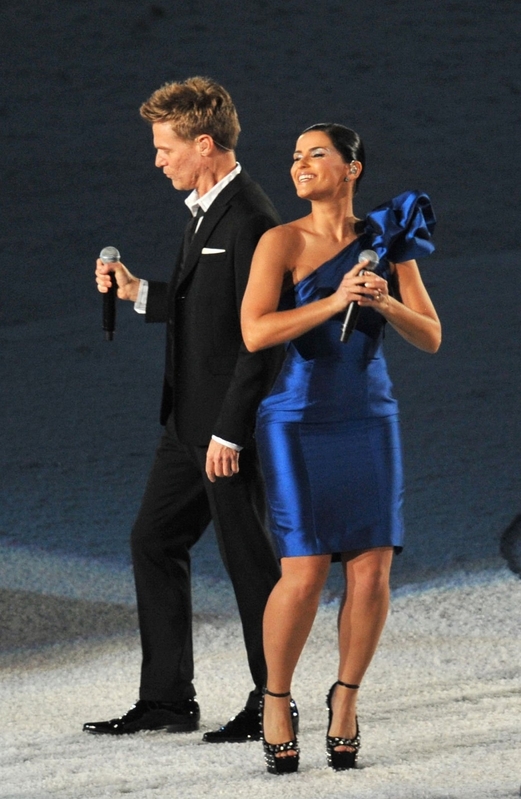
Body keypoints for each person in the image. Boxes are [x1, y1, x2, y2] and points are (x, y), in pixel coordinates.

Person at [83, 76, 287, 743]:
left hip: (224, 428)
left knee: (249, 561)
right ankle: (168, 698)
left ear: (205, 145)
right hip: (186, 426)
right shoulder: (205, 209)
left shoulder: (252, 219)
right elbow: (207, 309)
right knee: (153, 539)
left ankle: (271, 701)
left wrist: (231, 429)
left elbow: (260, 339)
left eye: (165, 146)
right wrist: (140, 289)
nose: (156, 159)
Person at [240, 123, 441, 774]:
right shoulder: (281, 240)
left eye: (315, 154)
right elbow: (254, 332)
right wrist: (331, 301)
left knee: (371, 569)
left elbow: (430, 335)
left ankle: (346, 698)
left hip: (368, 415)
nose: (299, 165)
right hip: (298, 417)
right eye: (294, 157)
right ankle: (276, 698)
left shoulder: (386, 242)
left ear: (351, 168)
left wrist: (383, 300)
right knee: (302, 574)